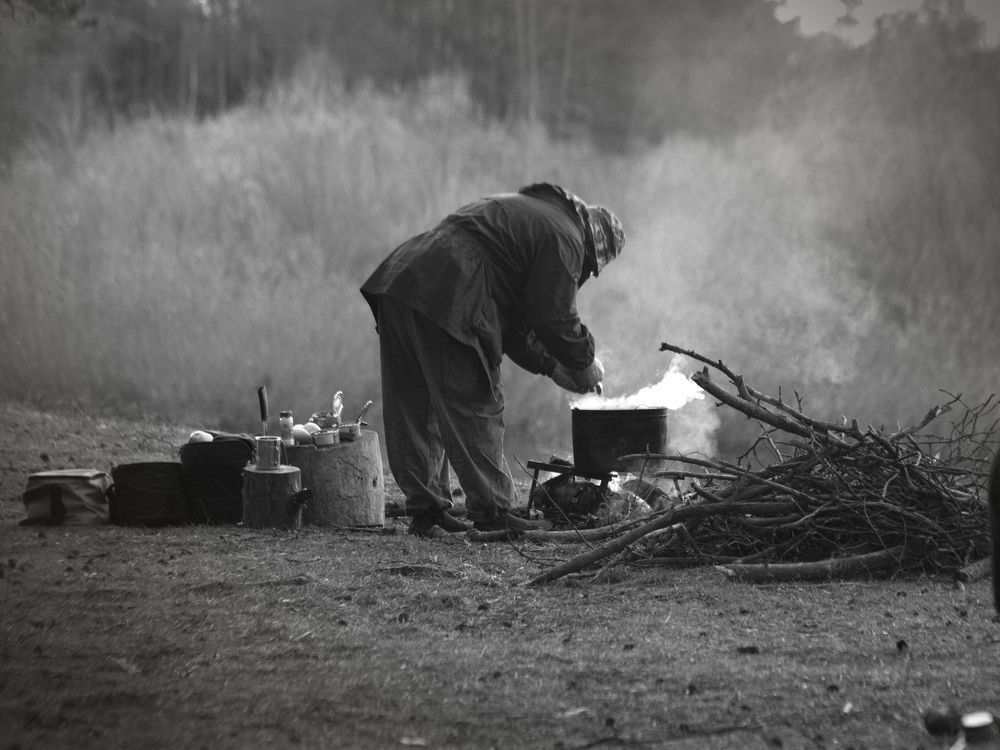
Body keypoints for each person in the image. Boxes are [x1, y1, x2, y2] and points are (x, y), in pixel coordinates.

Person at [360, 183, 626, 537]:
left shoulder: (541, 218)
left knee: (414, 404)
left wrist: (552, 367)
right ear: (594, 250)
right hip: (454, 289)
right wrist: (586, 362)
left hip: (404, 278)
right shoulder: (567, 238)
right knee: (474, 401)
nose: (584, 274)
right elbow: (555, 317)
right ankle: (493, 512)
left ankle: (427, 512)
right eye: (589, 269)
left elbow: (518, 327)